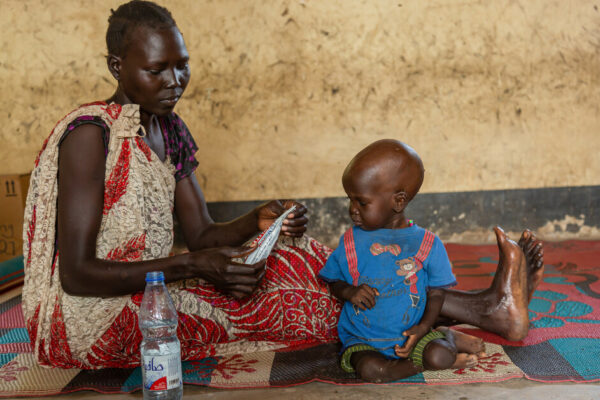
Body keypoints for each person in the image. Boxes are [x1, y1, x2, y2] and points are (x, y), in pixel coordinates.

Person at [22, 0, 544, 370]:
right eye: (157, 70)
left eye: (182, 67)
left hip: (152, 290)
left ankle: (484, 309)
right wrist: (192, 267)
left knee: (298, 259)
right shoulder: (92, 135)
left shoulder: (170, 131)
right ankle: (472, 314)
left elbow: (203, 235)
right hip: (91, 318)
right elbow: (78, 274)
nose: (174, 82)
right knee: (304, 302)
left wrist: (259, 222)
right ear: (119, 67)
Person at [319, 139, 486, 382]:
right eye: (350, 199)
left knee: (438, 355)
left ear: (398, 201)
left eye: (362, 202)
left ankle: (445, 339)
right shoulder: (351, 242)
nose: (352, 209)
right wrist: (349, 291)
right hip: (363, 339)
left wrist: (423, 327)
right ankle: (432, 363)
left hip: (413, 334)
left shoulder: (427, 243)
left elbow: (437, 293)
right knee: (371, 372)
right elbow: (333, 279)